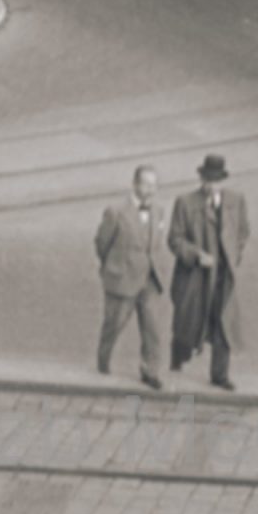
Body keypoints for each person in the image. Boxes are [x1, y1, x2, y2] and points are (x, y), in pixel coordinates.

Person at [168, 153, 248, 390]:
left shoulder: (236, 201)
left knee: (223, 323)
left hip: (224, 277)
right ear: (201, 179)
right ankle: (178, 356)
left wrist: (233, 257)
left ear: (223, 181)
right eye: (207, 180)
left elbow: (243, 232)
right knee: (188, 321)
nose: (211, 186)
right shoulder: (185, 203)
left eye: (216, 181)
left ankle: (220, 375)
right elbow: (174, 239)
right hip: (196, 277)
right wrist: (195, 255)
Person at [95, 164, 167, 391]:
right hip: (123, 279)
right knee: (114, 323)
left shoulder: (159, 210)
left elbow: (156, 243)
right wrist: (113, 268)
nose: (150, 190)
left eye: (154, 185)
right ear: (135, 184)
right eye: (146, 184)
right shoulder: (116, 211)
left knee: (152, 328)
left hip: (149, 279)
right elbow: (102, 243)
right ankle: (103, 359)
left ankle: (150, 371)